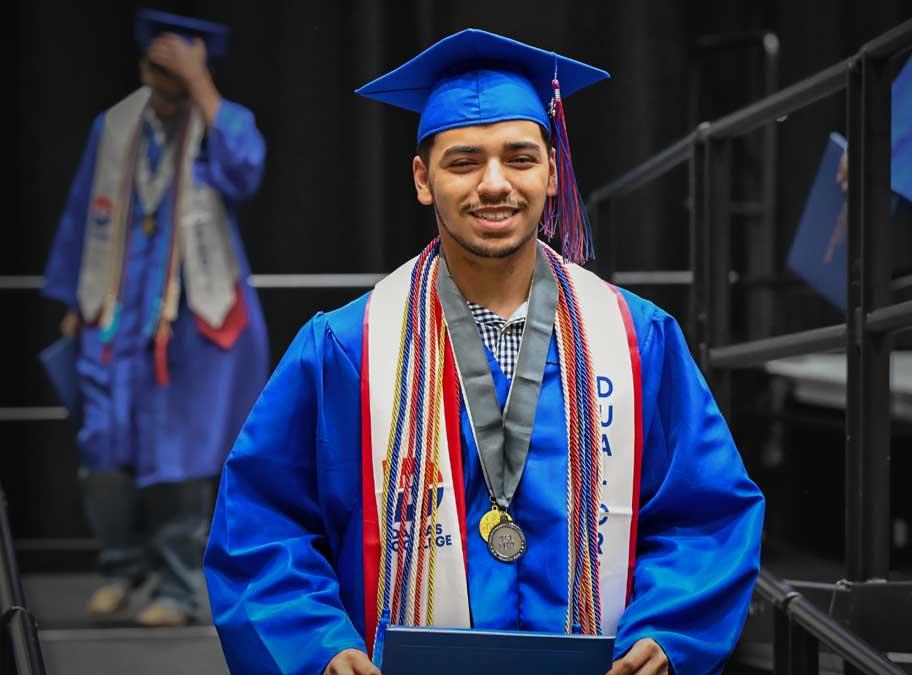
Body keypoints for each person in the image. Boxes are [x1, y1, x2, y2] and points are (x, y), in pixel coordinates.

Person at [204, 29, 764, 674]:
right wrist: (320, 647)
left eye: (520, 159)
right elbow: (262, 527)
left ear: (553, 173)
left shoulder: (638, 338)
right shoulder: (346, 348)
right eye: (464, 161)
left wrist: (669, 631)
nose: (494, 184)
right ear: (423, 178)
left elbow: (707, 513)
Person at [42, 9, 269, 626]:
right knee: (103, 454)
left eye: (177, 81)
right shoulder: (114, 127)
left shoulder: (222, 122)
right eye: (157, 75)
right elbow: (80, 213)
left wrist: (200, 86)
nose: (165, 94)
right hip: (115, 319)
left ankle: (177, 587)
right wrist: (73, 302)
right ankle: (121, 566)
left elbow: (245, 171)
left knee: (181, 460)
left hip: (192, 322)